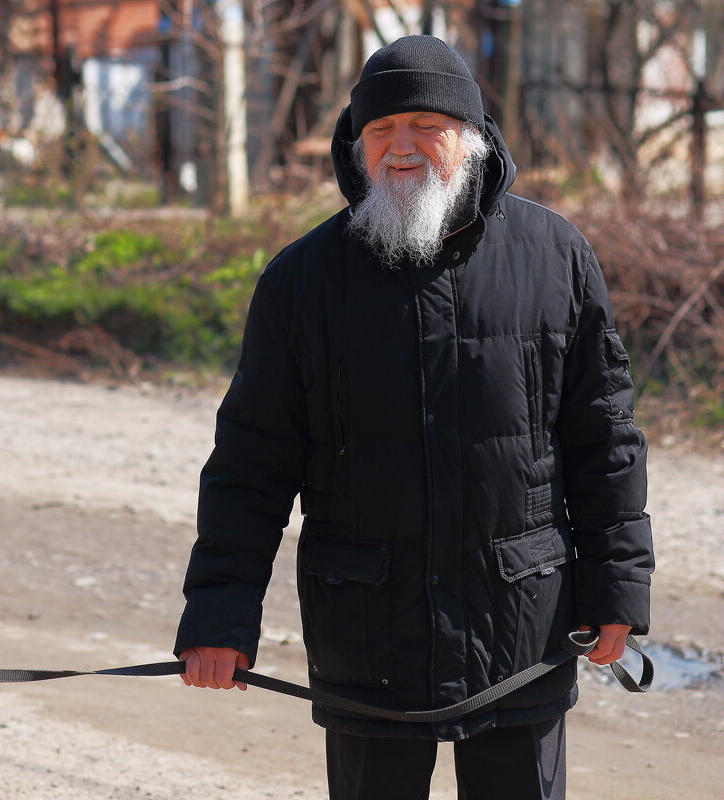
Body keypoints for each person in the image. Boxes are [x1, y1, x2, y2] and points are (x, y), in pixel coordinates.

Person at [173, 35, 654, 800]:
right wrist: (219, 617)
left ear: (469, 136)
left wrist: (618, 592)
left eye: (425, 124)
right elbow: (250, 464)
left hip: (520, 631)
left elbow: (606, 442)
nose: (402, 147)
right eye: (381, 130)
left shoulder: (555, 256)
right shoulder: (301, 281)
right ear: (356, 146)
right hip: (369, 636)